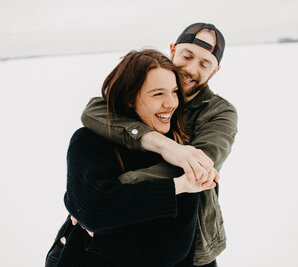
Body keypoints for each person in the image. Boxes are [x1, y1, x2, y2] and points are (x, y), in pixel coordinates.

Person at [80, 23, 238, 266]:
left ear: (215, 72)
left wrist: (109, 197)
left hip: (194, 242)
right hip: (133, 231)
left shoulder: (219, 113)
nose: (191, 68)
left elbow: (198, 168)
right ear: (172, 50)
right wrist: (163, 145)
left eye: (205, 64)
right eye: (187, 56)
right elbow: (94, 110)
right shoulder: (146, 89)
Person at [45, 49, 218, 267]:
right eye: (158, 94)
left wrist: (100, 237)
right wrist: (175, 187)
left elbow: (166, 252)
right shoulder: (90, 140)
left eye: (174, 92)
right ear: (129, 98)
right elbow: (92, 210)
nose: (171, 103)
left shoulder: (181, 152)